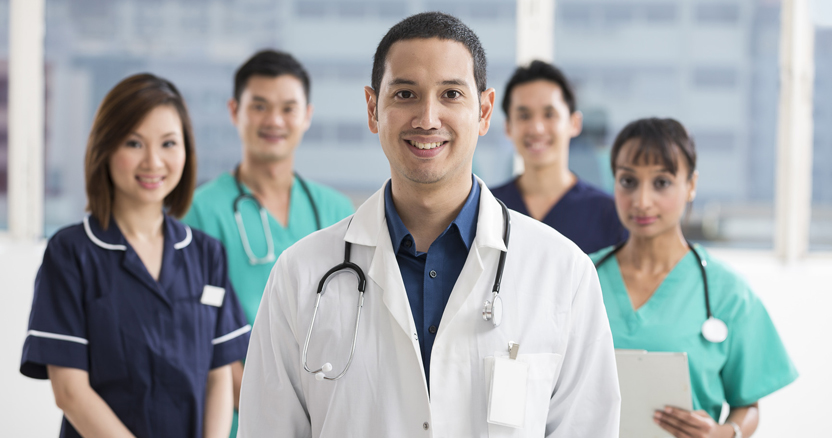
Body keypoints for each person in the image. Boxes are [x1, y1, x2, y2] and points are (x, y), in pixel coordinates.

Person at [238, 12, 620, 437]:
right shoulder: (301, 273)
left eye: (452, 94)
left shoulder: (562, 273)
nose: (427, 118)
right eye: (405, 94)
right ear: (372, 108)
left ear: (485, 111)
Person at [20, 74, 250, 438]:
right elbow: (70, 392)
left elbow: (220, 375)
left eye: (169, 143)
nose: (153, 161)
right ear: (106, 149)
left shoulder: (206, 254)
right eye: (134, 143)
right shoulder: (71, 253)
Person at [590, 118, 798, 438]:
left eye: (661, 183)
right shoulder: (581, 277)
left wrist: (726, 433)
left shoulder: (727, 292)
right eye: (628, 181)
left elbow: (748, 405)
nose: (642, 201)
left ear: (691, 185)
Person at [182, 50, 354, 434]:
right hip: (238, 418)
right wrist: (274, 408)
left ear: (307, 115)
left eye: (288, 108)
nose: (274, 120)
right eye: (259, 106)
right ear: (234, 110)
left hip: (328, 415)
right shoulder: (199, 213)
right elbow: (199, 333)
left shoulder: (337, 210)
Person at [490, 60, 627, 254]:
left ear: (574, 123)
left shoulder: (609, 215)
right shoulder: (487, 208)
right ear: (508, 128)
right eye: (524, 116)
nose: (537, 128)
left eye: (549, 114)